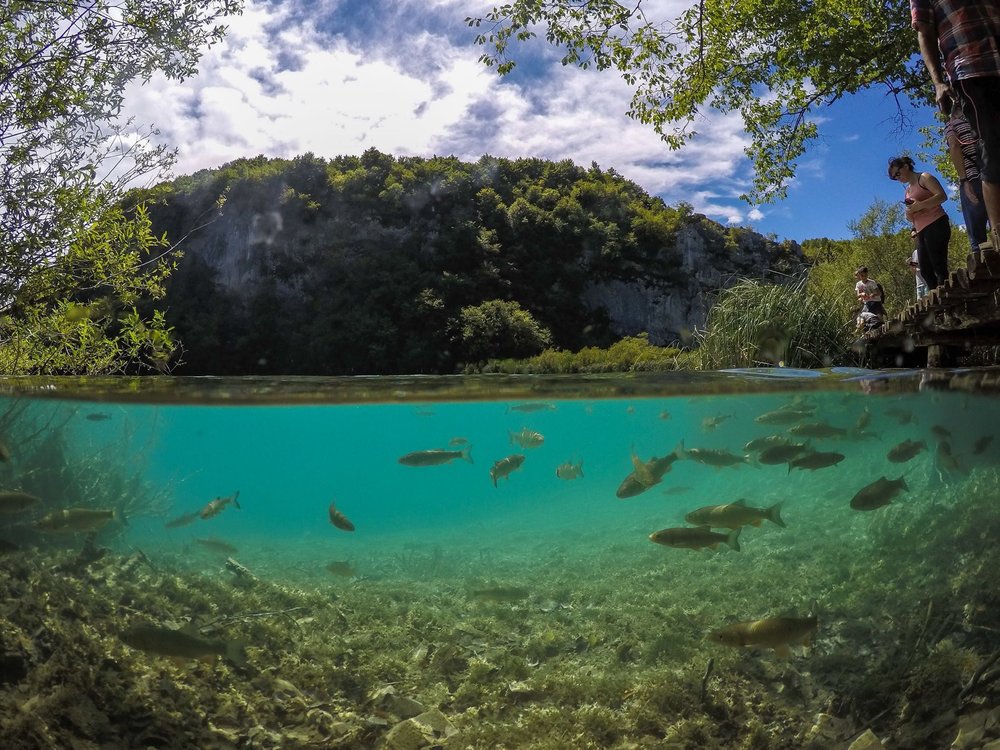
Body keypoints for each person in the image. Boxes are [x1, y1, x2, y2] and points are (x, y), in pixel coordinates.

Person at [911, 0, 1000, 250]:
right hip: (971, 69)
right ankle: (997, 236)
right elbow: (924, 31)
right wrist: (938, 82)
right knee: (992, 146)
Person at [888, 156, 951, 290]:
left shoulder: (924, 177)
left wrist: (921, 205)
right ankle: (938, 301)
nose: (898, 178)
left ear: (905, 166)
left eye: (898, 174)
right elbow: (912, 217)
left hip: (936, 223)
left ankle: (947, 299)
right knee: (925, 270)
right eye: (895, 177)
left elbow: (942, 196)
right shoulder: (907, 191)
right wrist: (909, 213)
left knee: (938, 265)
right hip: (920, 230)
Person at [945, 107, 989, 252]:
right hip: (992, 177)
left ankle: (981, 261)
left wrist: (964, 180)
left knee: (977, 237)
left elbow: (954, 146)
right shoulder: (982, 119)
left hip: (972, 178)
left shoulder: (952, 124)